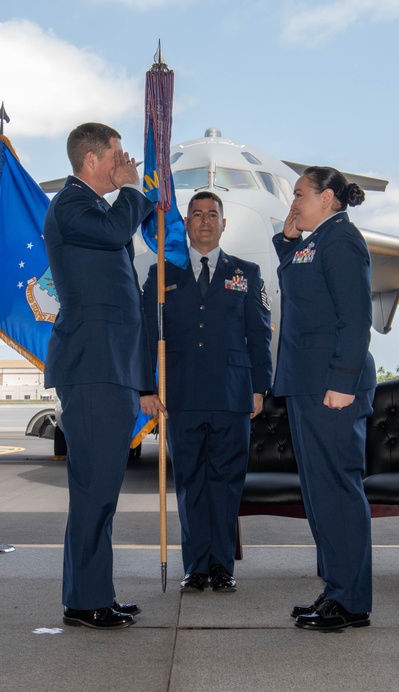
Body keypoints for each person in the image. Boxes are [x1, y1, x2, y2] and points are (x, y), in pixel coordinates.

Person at [43, 122, 166, 630]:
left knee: (102, 490)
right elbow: (119, 230)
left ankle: (94, 593)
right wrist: (136, 189)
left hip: (109, 366)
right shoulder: (72, 205)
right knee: (95, 487)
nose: (125, 163)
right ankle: (85, 600)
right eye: (117, 155)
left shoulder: (91, 208)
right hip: (92, 365)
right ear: (92, 160)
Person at [142, 191, 273, 594]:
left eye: (211, 215)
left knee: (226, 482)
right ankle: (195, 566)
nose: (204, 221)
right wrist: (147, 386)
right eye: (196, 214)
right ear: (186, 222)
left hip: (233, 396)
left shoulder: (246, 273)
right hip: (179, 396)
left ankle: (221, 565)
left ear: (223, 224)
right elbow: (148, 334)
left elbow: (260, 334)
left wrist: (259, 388)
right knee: (190, 484)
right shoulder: (163, 274)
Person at [273, 166, 376, 632]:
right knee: (320, 496)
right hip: (306, 383)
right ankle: (338, 589)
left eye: (300, 195)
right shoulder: (316, 242)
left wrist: (342, 381)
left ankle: (350, 600)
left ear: (329, 198)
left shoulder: (342, 241)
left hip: (331, 387)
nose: (294, 203)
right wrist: (288, 240)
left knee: (337, 491)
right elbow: (302, 291)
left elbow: (355, 319)